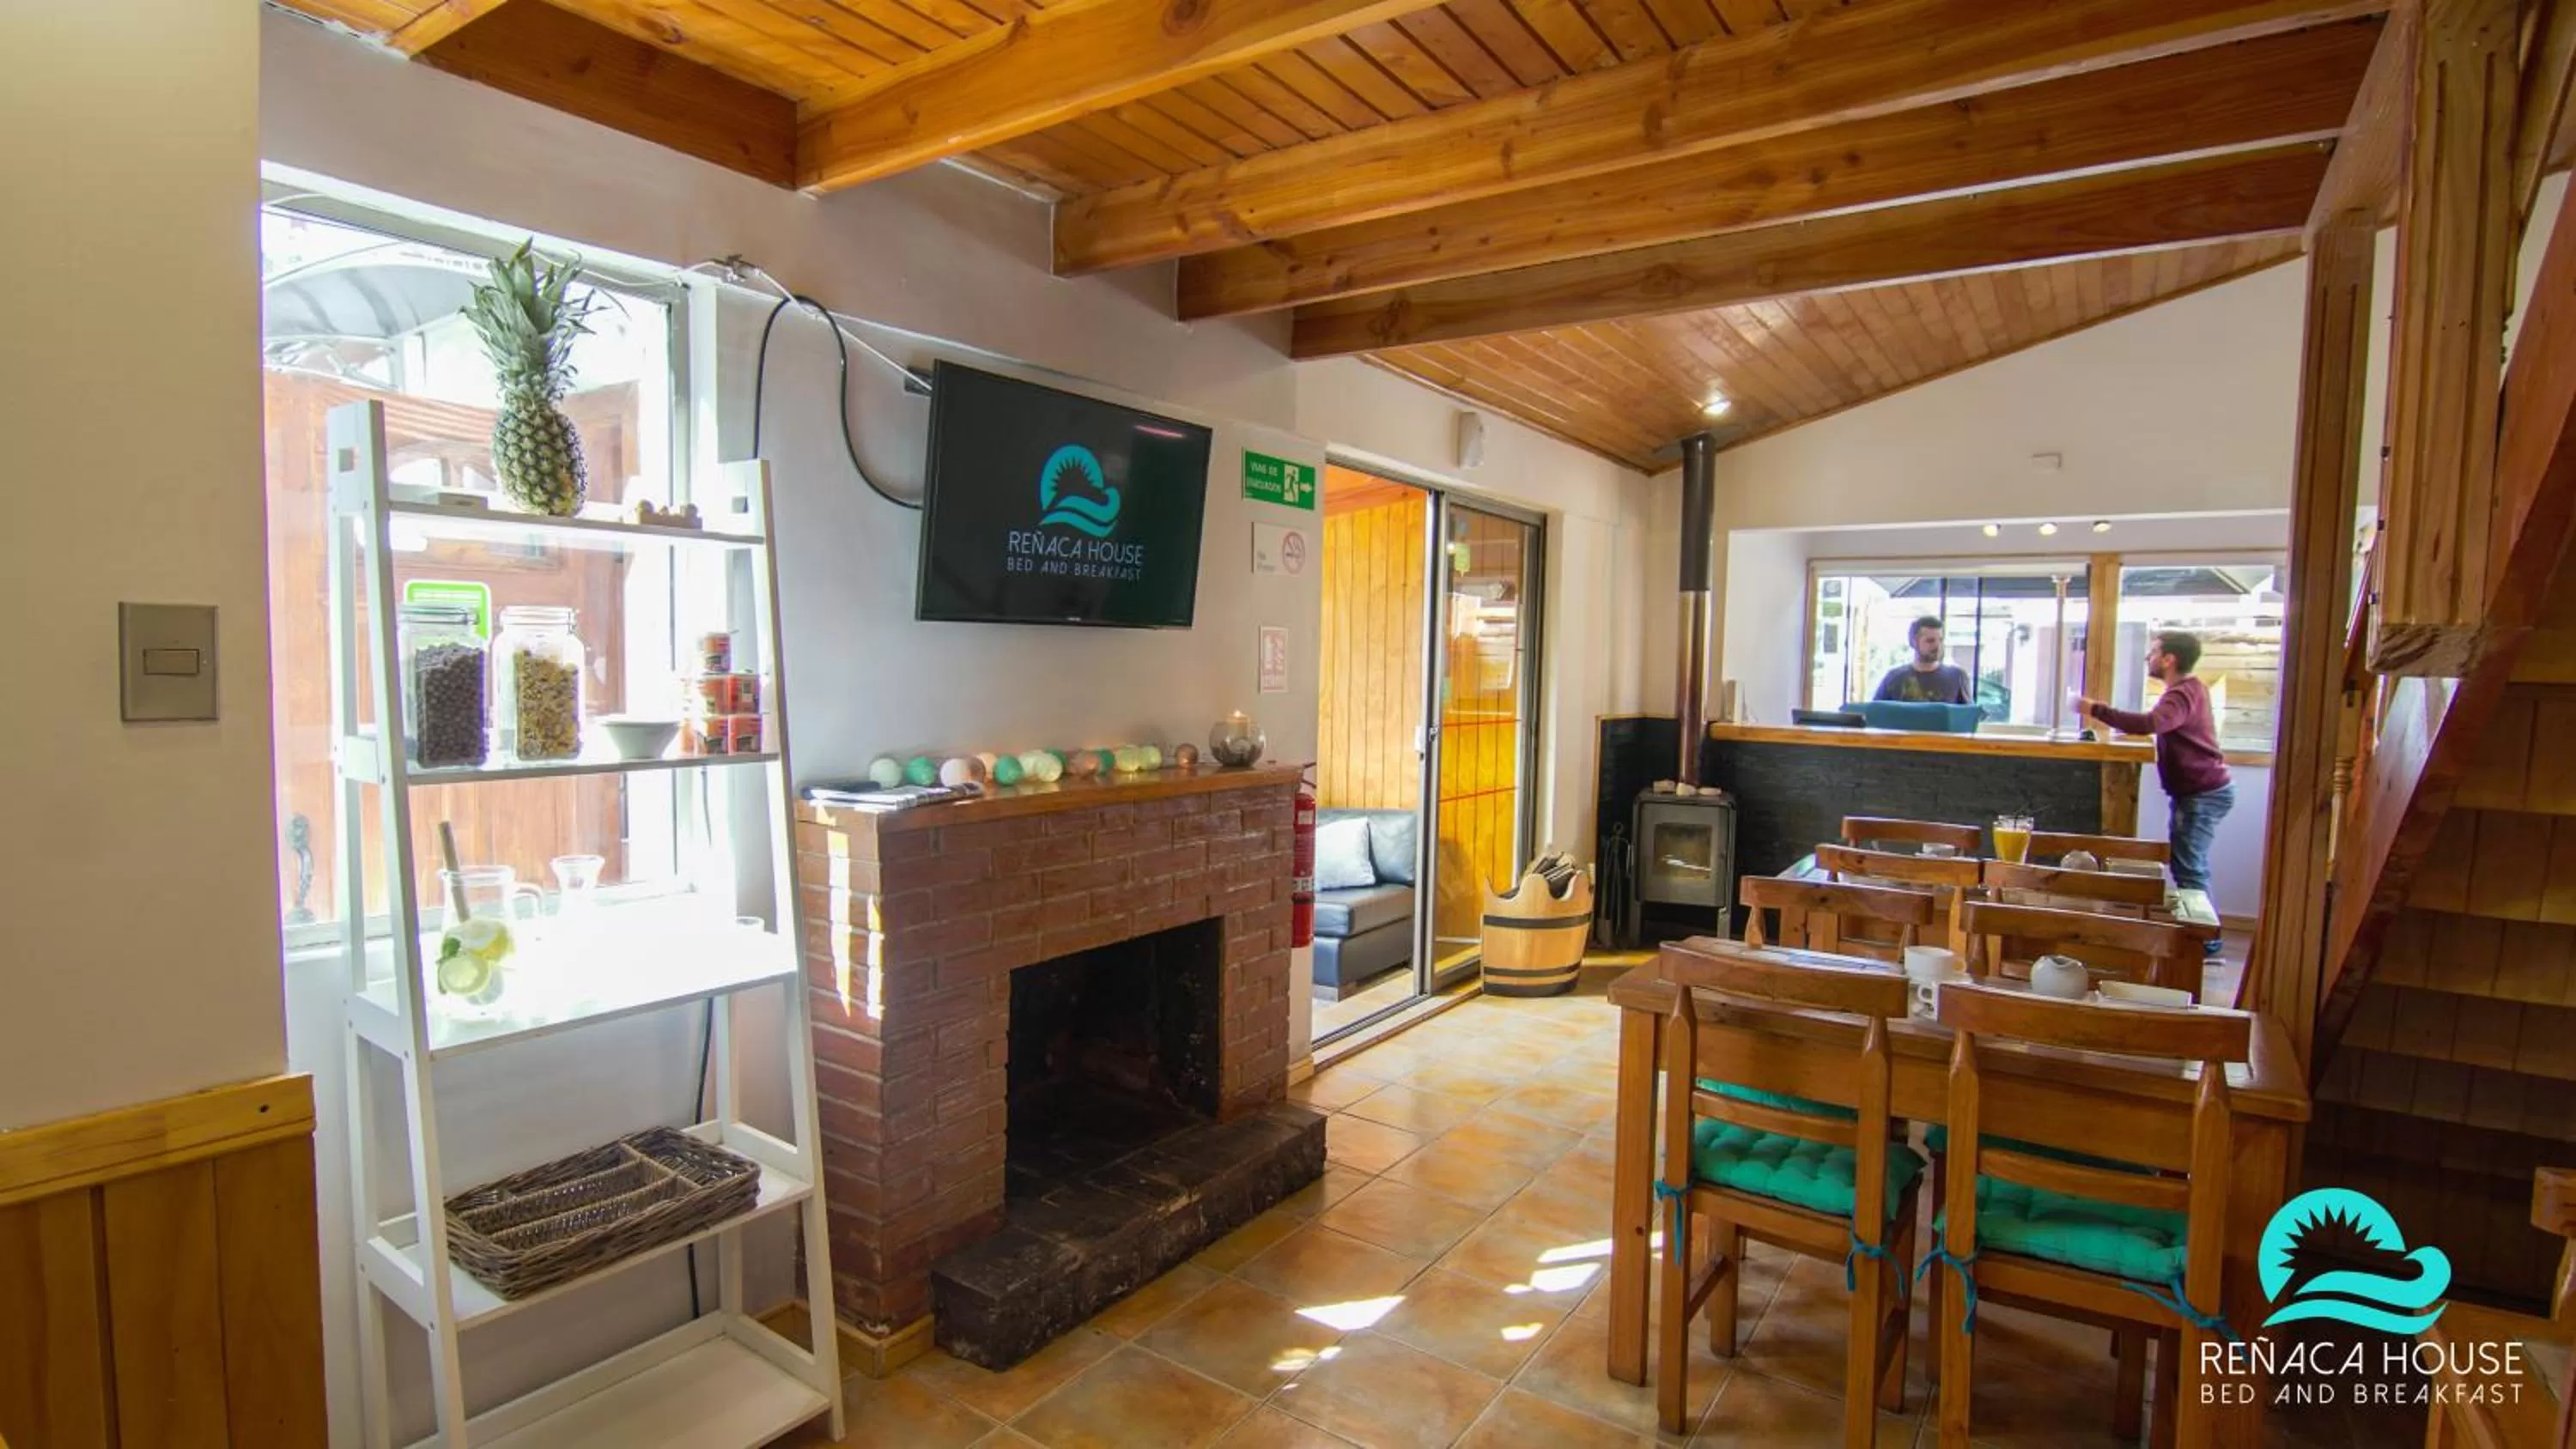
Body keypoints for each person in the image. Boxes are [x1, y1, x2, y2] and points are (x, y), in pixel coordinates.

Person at [2076, 630, 2233, 955]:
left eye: (2153, 651)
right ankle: (2203, 938)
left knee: (2189, 866)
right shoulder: (2189, 690)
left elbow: (2153, 723)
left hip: (2203, 793)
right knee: (2187, 863)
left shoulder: (2182, 693)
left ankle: (2206, 942)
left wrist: (2094, 709)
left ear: (2169, 658)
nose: (2148, 657)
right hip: (2203, 791)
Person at [1873, 615, 1972, 704]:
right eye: (1930, 641)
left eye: (1940, 640)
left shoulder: (1957, 677)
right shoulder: (1894, 677)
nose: (1938, 646)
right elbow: (1876, 714)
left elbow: (1967, 717)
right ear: (1913, 642)